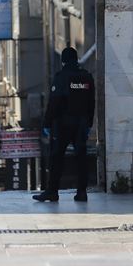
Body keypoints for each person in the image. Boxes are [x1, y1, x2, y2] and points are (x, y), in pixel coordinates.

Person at [34, 47, 96, 203]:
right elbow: (91, 102)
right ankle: (82, 192)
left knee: (56, 158)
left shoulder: (61, 77)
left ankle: (52, 192)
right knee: (81, 158)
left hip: (63, 125)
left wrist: (47, 123)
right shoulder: (87, 77)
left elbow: (54, 102)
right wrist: (89, 123)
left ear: (63, 61)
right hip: (81, 124)